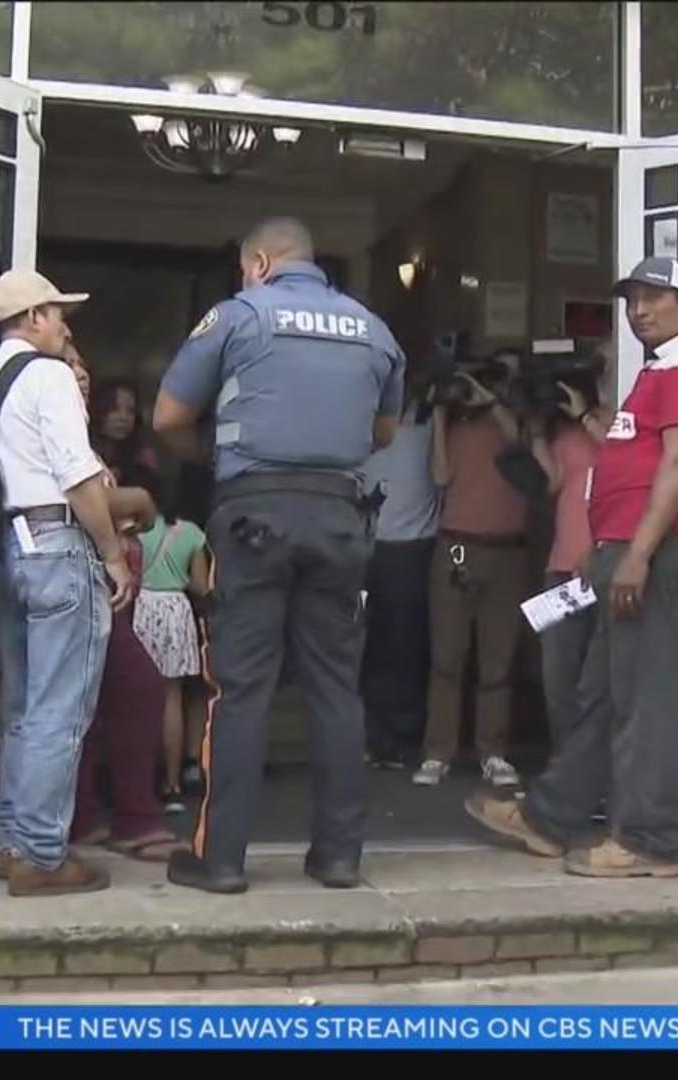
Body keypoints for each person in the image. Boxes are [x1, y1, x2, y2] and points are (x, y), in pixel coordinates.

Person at [151, 217, 404, 894]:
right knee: (334, 689)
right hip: (340, 517)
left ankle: (222, 859)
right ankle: (338, 856)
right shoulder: (373, 329)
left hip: (254, 515)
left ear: (258, 262)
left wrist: (219, 459)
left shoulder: (238, 316)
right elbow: (382, 430)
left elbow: (168, 418)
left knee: (240, 689)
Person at [465, 257, 678, 879]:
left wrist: (636, 554)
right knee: (603, 694)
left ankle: (651, 839)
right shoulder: (660, 369)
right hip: (627, 549)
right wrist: (605, 550)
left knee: (646, 700)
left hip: (657, 551)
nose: (641, 309)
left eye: (656, 297)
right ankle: (551, 817)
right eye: (634, 299)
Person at [0, 270, 134, 898]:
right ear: (31, 318)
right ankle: (40, 853)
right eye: (59, 314)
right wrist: (112, 553)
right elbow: (79, 476)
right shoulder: (48, 376)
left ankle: (9, 841)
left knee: (22, 708)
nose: (64, 326)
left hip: (4, 550)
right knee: (60, 709)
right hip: (56, 546)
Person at [58, 346, 186, 863]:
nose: (81, 374)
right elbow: (74, 496)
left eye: (84, 364)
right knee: (131, 687)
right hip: (75, 578)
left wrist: (133, 502)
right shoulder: (55, 424)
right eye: (70, 363)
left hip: (106, 587)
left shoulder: (127, 452)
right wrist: (130, 503)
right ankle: (124, 818)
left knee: (95, 697)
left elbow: (144, 507)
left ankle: (92, 816)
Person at [414, 350, 533, 789]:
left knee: (498, 656)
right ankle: (438, 752)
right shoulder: (457, 424)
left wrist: (490, 400)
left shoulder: (519, 419)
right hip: (459, 547)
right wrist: (443, 415)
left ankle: (493, 751)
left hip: (508, 551)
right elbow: (441, 477)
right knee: (449, 651)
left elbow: (521, 446)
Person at [527, 349, 612, 753]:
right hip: (561, 570)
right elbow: (551, 483)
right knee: (558, 676)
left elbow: (623, 460)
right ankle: (566, 774)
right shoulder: (562, 434)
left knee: (598, 681)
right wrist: (537, 429)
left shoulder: (614, 425)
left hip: (605, 567)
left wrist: (585, 416)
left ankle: (601, 781)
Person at [359, 368, 440, 770]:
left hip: (413, 551)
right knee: (369, 648)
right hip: (366, 551)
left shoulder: (430, 425)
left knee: (407, 649)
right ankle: (374, 738)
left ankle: (402, 738)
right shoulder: (360, 428)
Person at [133, 491, 213, 811]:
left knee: (134, 699)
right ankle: (173, 782)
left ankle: (137, 781)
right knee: (172, 697)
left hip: (140, 606)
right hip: (175, 610)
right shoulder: (192, 533)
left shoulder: (134, 528)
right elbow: (201, 586)